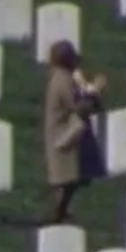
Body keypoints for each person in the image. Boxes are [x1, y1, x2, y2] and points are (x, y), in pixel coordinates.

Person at [42, 40, 105, 225]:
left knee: (70, 179)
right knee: (66, 179)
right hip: (65, 135)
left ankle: (61, 212)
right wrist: (95, 92)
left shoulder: (61, 77)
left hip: (64, 132)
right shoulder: (64, 80)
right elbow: (78, 107)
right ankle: (58, 213)